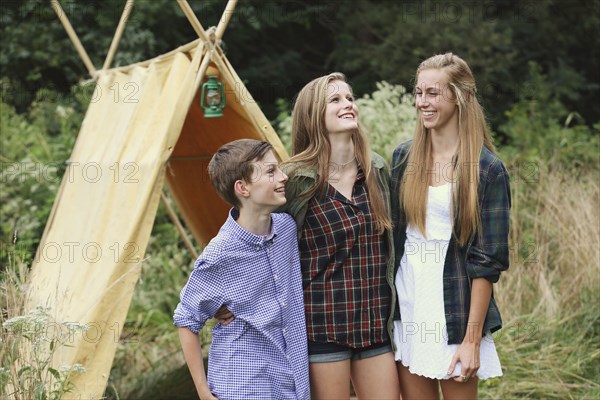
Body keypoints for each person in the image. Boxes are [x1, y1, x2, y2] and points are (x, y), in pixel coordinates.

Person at [390, 53, 511, 399]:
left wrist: (472, 340)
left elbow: (487, 263)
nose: (422, 103)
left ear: (458, 98)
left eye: (433, 94)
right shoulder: (403, 158)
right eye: (418, 93)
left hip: (455, 308)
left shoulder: (486, 169)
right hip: (409, 304)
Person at [282, 72, 400, 399]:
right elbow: (262, 244)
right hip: (322, 326)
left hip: (375, 323)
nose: (347, 104)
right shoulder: (296, 179)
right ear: (313, 115)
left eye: (349, 98)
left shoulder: (376, 170)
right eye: (335, 100)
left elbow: (396, 246)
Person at [173, 139, 310, 400]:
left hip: (290, 382)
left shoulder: (288, 229)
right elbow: (187, 320)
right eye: (271, 172)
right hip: (243, 384)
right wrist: (203, 392)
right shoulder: (220, 254)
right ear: (243, 188)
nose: (283, 177)